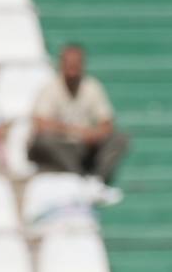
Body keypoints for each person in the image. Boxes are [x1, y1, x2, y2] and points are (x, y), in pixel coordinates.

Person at [30, 44, 130, 205]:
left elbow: (107, 123)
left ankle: (97, 181)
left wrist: (91, 134)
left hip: (84, 146)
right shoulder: (50, 88)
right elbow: (40, 124)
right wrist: (73, 131)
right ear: (61, 64)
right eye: (69, 63)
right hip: (62, 145)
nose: (72, 67)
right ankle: (82, 181)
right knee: (45, 140)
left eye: (76, 63)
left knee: (119, 138)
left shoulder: (92, 87)